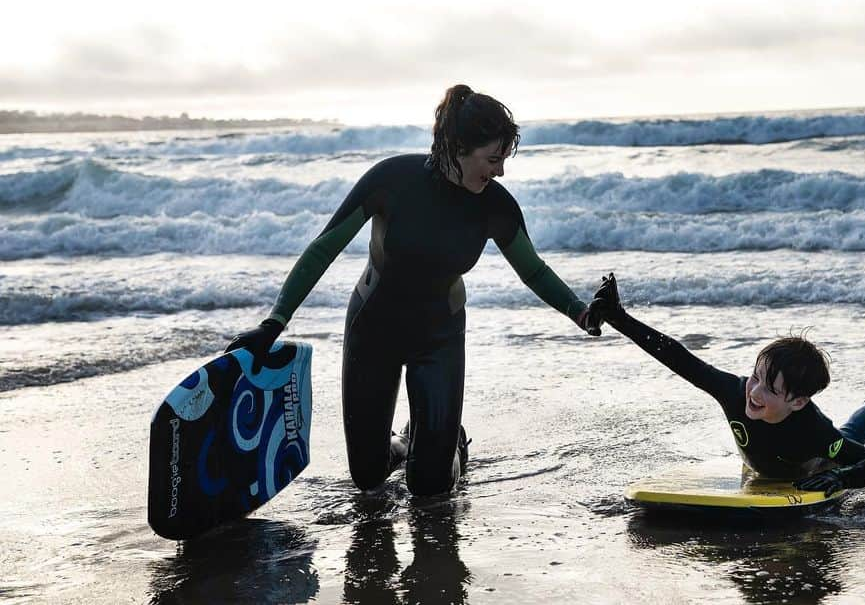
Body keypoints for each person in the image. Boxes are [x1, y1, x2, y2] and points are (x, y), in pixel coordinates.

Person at [228, 85, 601, 496]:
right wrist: (273, 323)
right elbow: (323, 249)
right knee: (368, 478)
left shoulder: (495, 206)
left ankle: (449, 446)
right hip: (373, 332)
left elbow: (534, 271)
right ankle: (408, 442)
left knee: (431, 486)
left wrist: (579, 312)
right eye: (492, 159)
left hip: (438, 338)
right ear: (459, 147)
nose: (499, 172)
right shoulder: (392, 180)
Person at [587, 274, 865, 495]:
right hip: (769, 468)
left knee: (848, 437)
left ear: (797, 402)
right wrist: (619, 318)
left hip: (814, 462)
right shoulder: (734, 392)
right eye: (755, 377)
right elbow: (680, 358)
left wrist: (840, 477)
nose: (753, 392)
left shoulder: (814, 431)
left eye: (768, 389)